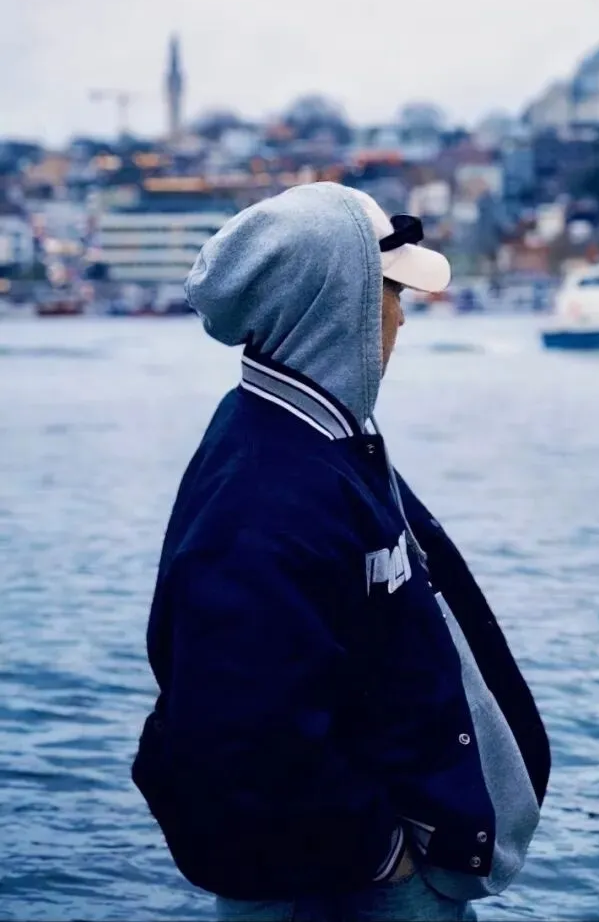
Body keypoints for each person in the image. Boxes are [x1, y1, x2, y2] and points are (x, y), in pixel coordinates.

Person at [132, 182, 550, 922]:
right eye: (391, 293)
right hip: (342, 883)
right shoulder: (267, 494)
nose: (400, 317)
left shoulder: (307, 436)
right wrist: (383, 856)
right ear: (337, 303)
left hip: (346, 862)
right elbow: (242, 730)